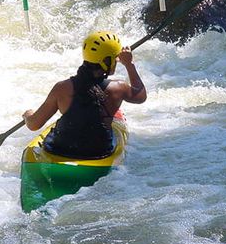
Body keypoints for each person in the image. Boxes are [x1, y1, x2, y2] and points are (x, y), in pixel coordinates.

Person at [22, 31, 147, 159]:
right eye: (116, 59)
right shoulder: (118, 88)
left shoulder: (62, 88)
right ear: (107, 61)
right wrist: (129, 64)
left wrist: (27, 115)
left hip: (59, 150)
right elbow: (141, 95)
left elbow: (33, 125)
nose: (117, 61)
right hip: (98, 153)